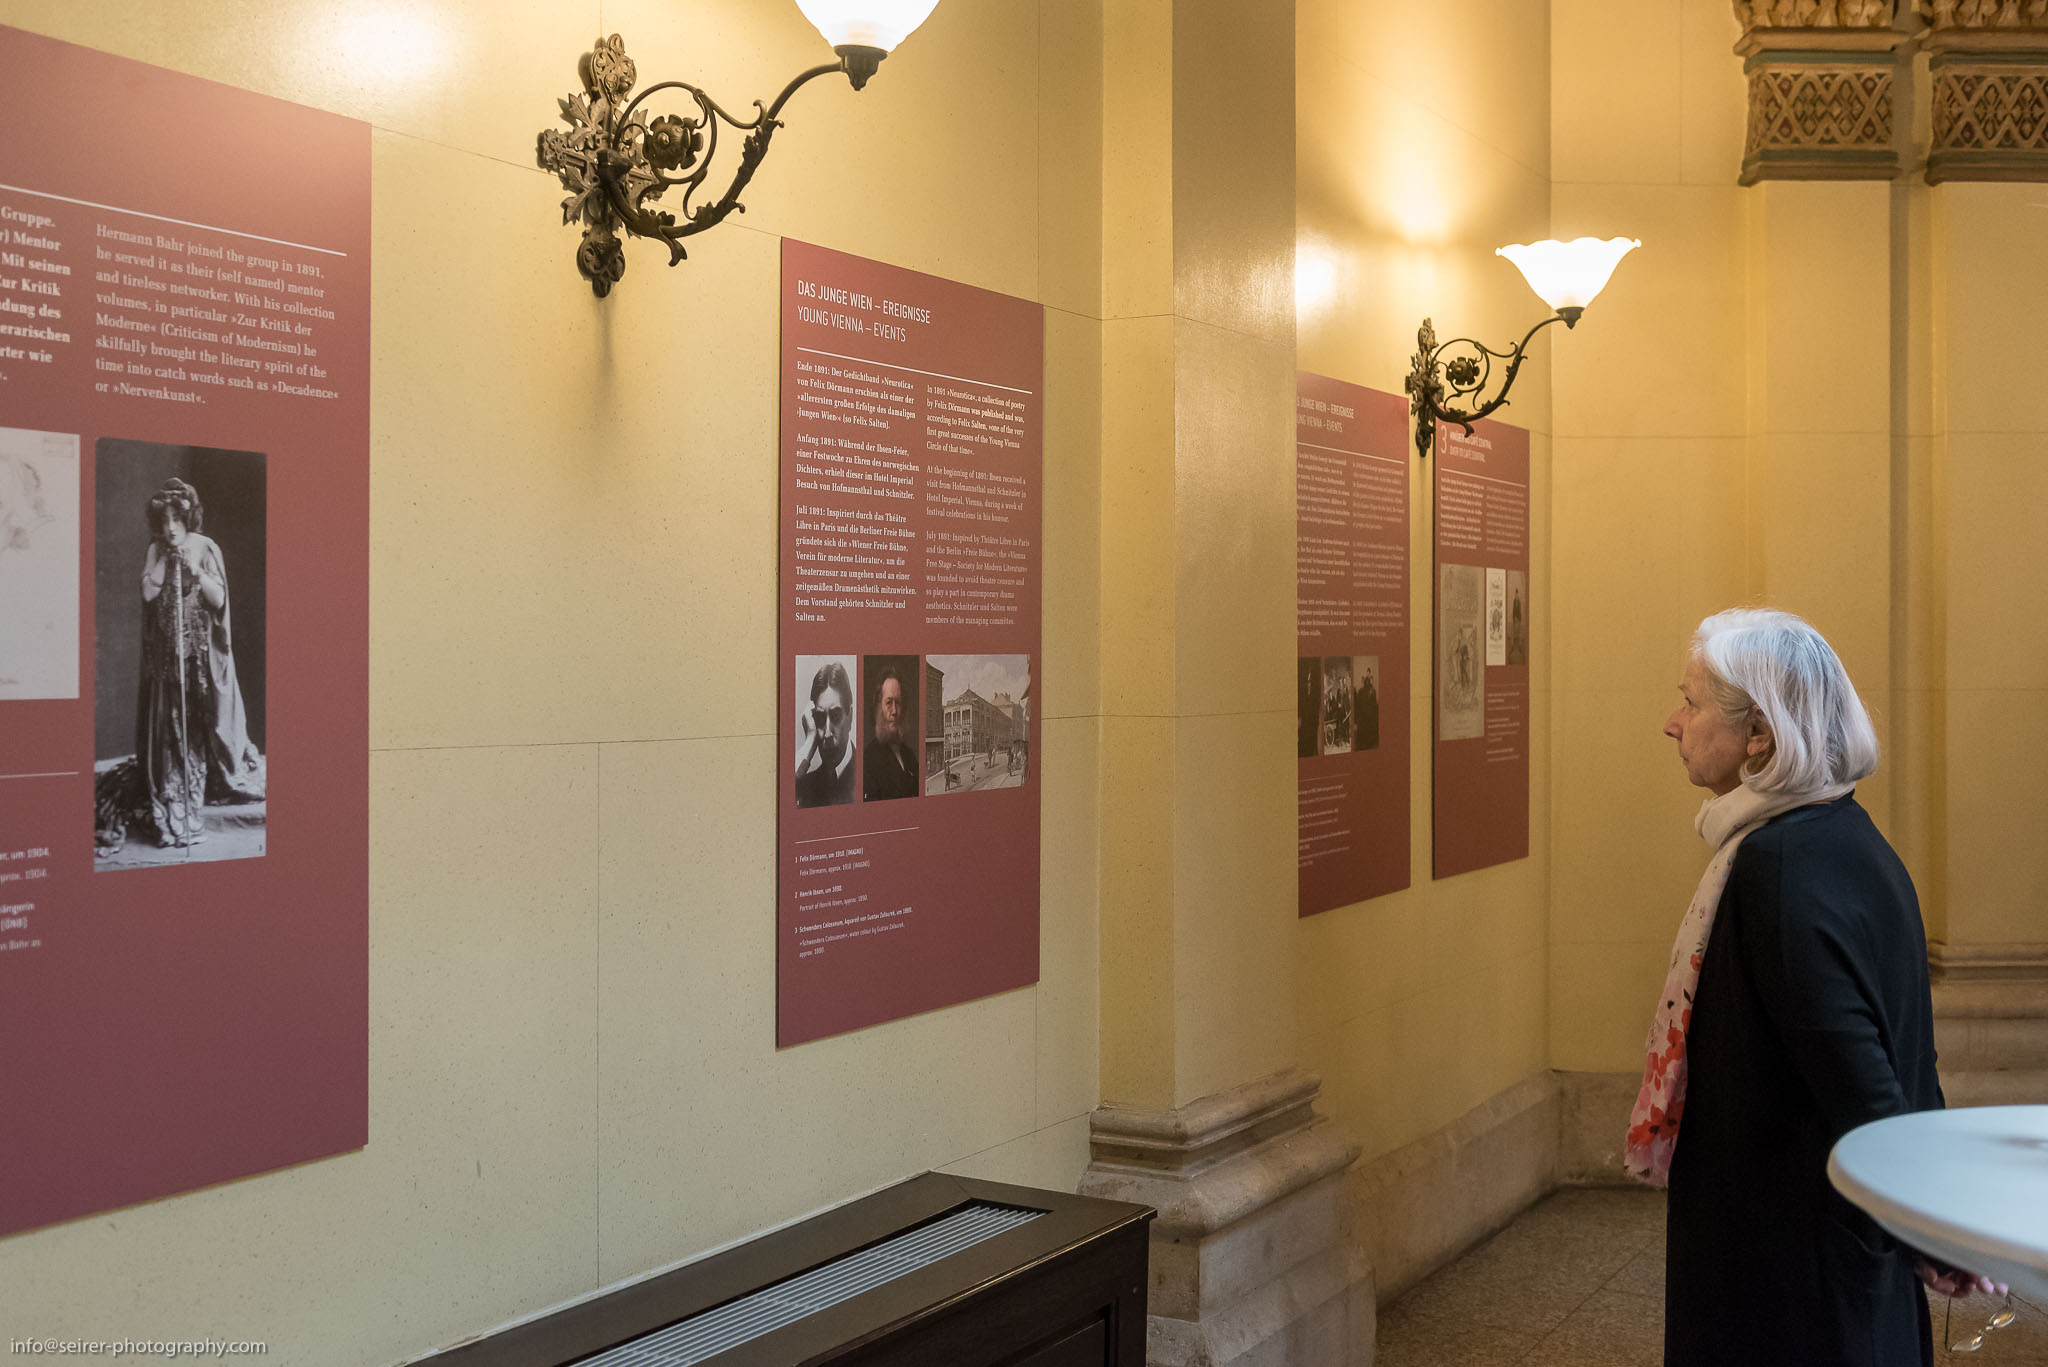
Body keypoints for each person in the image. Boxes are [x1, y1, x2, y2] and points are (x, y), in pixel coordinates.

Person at [1635, 608, 2000, 1367]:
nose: (1674, 722)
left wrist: (1928, 1224)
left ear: (1759, 734)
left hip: (1790, 1272)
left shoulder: (1776, 868)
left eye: (1693, 702)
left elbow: (1860, 1071)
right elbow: (1911, 1057)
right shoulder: (1849, 838)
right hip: (1833, 1253)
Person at [134, 477, 265, 847]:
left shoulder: (206, 547)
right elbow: (147, 592)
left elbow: (220, 600)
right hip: (168, 655)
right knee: (172, 723)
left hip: (201, 656)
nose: (170, 527)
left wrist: (195, 570)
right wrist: (163, 561)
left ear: (188, 518)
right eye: (164, 521)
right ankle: (176, 788)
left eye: (176, 519)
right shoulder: (156, 548)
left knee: (202, 718)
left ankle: (211, 776)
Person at [794, 660, 856, 808]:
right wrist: (810, 741)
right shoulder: (804, 787)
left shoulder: (868, 774)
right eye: (820, 718)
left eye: (835, 716)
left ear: (850, 717)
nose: (827, 734)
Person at [862, 667, 918, 802]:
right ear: (878, 707)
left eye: (898, 703)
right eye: (888, 702)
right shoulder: (869, 758)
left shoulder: (910, 756)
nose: (894, 711)